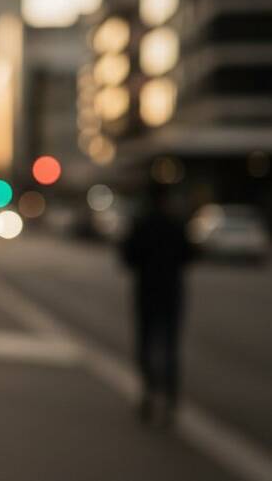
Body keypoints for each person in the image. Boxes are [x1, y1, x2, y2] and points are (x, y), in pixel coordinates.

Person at [120, 181, 194, 427]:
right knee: (169, 346)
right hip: (171, 291)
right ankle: (170, 398)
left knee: (146, 343)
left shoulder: (142, 224)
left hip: (147, 291)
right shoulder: (176, 224)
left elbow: (127, 257)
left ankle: (150, 392)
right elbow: (190, 255)